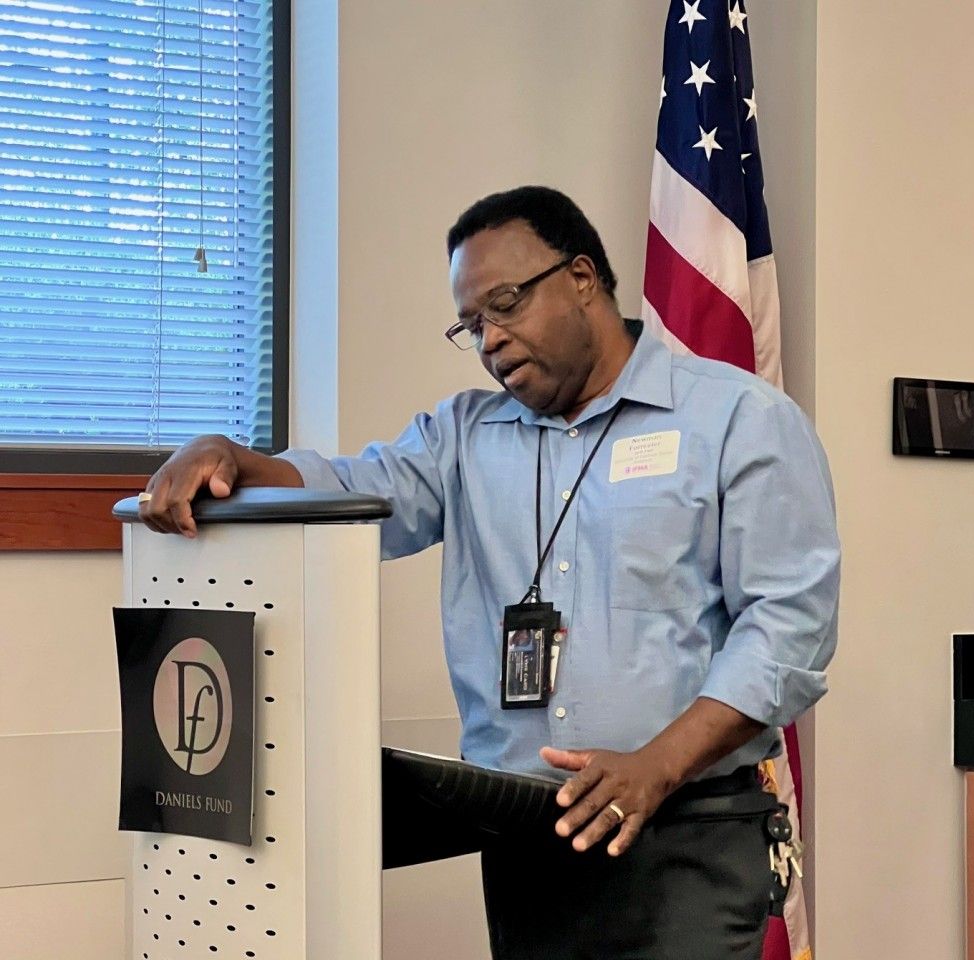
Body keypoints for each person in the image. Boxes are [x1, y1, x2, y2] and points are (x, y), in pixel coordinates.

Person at [140, 185, 840, 960]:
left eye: (504, 305)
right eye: (471, 324)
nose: (491, 340)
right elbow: (347, 496)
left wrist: (656, 766)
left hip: (684, 834)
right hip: (525, 844)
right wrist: (234, 458)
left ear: (581, 278)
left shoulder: (737, 420)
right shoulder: (463, 438)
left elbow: (788, 631)